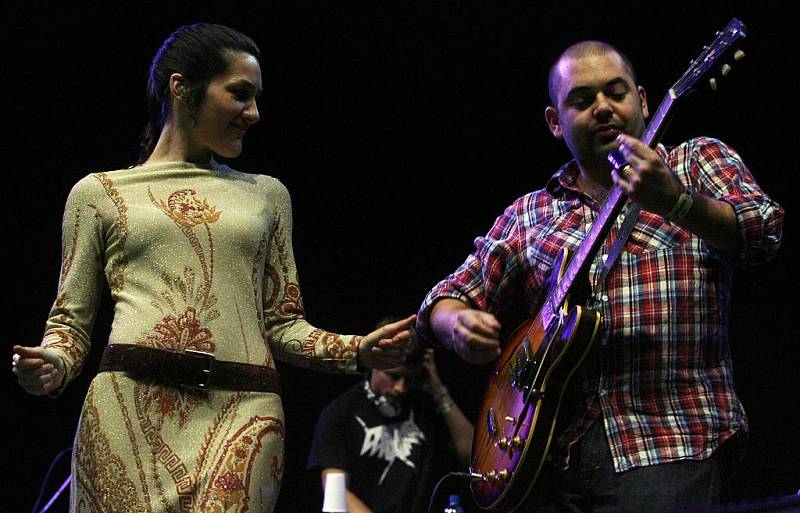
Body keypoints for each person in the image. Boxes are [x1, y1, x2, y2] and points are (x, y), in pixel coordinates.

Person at [11, 23, 415, 513]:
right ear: (182, 88)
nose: (254, 113)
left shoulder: (267, 195)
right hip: (127, 413)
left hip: (245, 411)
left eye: (257, 98)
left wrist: (358, 350)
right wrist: (53, 362)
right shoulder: (99, 194)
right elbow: (69, 324)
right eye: (240, 95)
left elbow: (283, 323)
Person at [416, 40, 783, 513]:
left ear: (644, 100)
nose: (603, 108)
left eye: (616, 92)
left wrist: (676, 201)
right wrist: (457, 324)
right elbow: (443, 299)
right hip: (546, 460)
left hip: (667, 443)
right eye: (582, 100)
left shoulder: (695, 162)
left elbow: (765, 229)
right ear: (555, 122)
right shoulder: (530, 213)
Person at [307, 317, 474, 513]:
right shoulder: (339, 413)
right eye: (393, 376)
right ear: (373, 363)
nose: (401, 388)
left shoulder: (425, 407)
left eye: (409, 378)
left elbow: (471, 454)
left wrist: (438, 389)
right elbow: (336, 491)